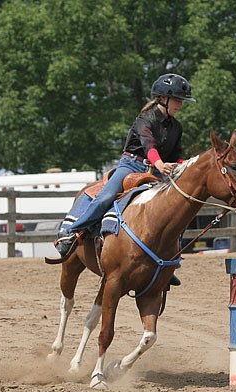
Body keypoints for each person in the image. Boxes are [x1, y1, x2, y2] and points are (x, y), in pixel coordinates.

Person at [55, 73, 196, 262]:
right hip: (131, 165)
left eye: (182, 101)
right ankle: (72, 234)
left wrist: (186, 164)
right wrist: (160, 164)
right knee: (106, 196)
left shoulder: (176, 127)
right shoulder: (144, 120)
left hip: (155, 171)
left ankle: (168, 258)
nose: (181, 105)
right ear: (163, 98)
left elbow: (175, 155)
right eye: (178, 100)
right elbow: (149, 146)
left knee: (176, 207)